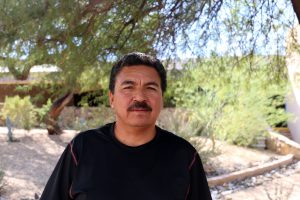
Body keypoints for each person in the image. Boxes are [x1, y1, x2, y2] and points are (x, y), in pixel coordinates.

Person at [40, 52, 212, 200]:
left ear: (162, 98)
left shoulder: (184, 156)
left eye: (150, 88)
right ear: (112, 98)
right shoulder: (82, 149)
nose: (139, 97)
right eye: (128, 87)